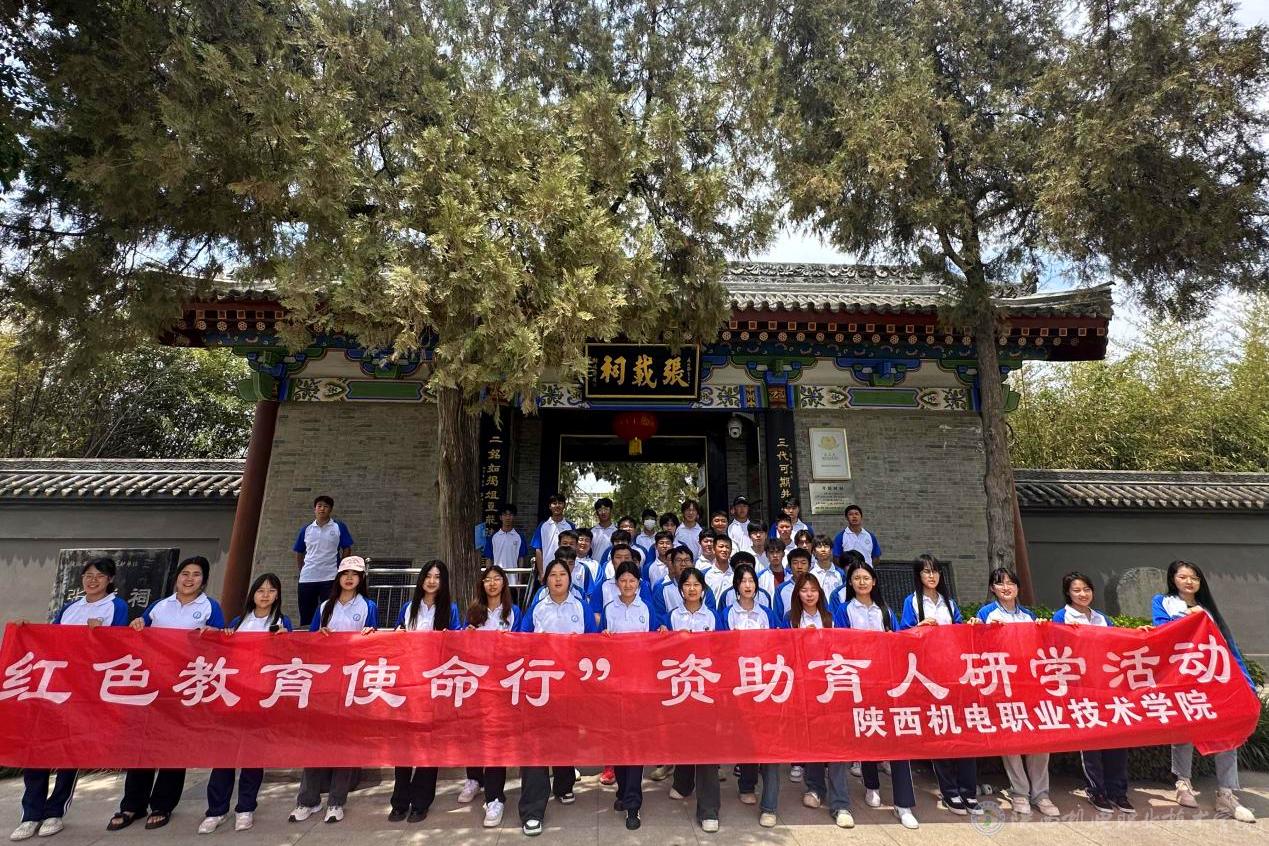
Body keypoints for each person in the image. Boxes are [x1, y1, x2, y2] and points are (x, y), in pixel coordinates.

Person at [12, 558, 128, 842]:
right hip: (54, 687)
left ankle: (55, 811)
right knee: (38, 748)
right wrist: (27, 630)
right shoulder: (70, 607)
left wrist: (101, 635)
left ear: (110, 580)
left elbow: (122, 644)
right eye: (88, 575)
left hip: (86, 690)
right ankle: (30, 814)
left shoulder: (116, 606)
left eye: (99, 576)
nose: (93, 580)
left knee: (69, 749)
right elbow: (50, 638)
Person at [108, 556, 225, 833]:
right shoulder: (160, 606)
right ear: (176, 577)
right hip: (153, 685)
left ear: (204, 581)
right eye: (185, 573)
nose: (189, 579)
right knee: (142, 745)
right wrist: (138, 625)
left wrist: (213, 632)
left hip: (186, 686)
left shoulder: (210, 607)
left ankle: (163, 805)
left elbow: (222, 642)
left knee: (174, 747)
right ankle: (132, 804)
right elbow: (139, 634)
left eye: (196, 574)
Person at [1152, 560, 1256, 823]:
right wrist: (1189, 619)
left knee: (1226, 731)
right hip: (1183, 679)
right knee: (1184, 731)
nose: (1189, 582)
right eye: (1183, 577)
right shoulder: (1164, 603)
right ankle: (1183, 782)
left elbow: (1227, 646)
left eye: (1195, 577)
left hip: (1214, 680)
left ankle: (1226, 792)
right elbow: (1161, 630)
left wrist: (1246, 681)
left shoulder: (1208, 608)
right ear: (1172, 579)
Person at [198, 574, 293, 835]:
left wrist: (285, 639)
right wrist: (222, 635)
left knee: (253, 756)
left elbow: (289, 659)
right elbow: (222, 652)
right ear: (252, 594)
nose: (265, 595)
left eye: (271, 591)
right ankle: (216, 810)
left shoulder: (282, 622)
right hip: (233, 696)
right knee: (224, 756)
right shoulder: (239, 622)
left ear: (278, 595)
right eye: (261, 590)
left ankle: (246, 807)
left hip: (262, 698)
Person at [292, 557, 377, 824]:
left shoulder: (368, 606)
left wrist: (370, 634)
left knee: (345, 742)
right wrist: (320, 635)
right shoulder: (325, 606)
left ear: (361, 579)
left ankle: (337, 801)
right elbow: (311, 640)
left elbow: (373, 640)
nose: (349, 578)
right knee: (317, 741)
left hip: (351, 682)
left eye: (355, 574)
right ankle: (308, 800)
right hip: (325, 682)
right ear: (338, 577)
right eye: (345, 573)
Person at [895, 555, 983, 816]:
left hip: (955, 673)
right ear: (918, 575)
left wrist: (972, 626)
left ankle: (969, 790)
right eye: (926, 572)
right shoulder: (911, 602)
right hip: (929, 674)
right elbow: (903, 635)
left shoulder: (949, 602)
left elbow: (960, 631)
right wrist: (919, 627)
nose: (931, 576)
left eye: (935, 571)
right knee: (941, 729)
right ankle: (949, 790)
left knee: (964, 731)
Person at [834, 561, 919, 829]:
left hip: (888, 679)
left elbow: (898, 640)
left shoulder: (885, 610)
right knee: (869, 731)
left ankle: (903, 803)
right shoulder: (844, 610)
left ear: (874, 581)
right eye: (856, 578)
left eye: (866, 578)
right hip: (860, 681)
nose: (862, 582)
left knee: (897, 737)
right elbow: (839, 643)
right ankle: (871, 785)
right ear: (850, 583)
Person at [516, 559, 596, 836]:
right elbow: (521, 639)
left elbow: (594, 643)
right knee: (536, 744)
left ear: (570, 578)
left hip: (571, 686)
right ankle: (532, 809)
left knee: (565, 735)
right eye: (553, 574)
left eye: (563, 574)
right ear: (545, 579)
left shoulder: (580, 606)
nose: (558, 579)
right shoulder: (538, 607)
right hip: (540, 685)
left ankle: (564, 784)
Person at [976, 568, 1058, 817]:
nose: (1006, 587)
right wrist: (985, 631)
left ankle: (1041, 793)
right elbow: (976, 645)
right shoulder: (986, 614)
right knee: (1011, 738)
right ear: (992, 588)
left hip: (1030, 684)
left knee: (1039, 738)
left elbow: (1042, 648)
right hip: (1003, 684)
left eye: (1011, 583)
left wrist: (1043, 630)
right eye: (1000, 584)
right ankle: (1019, 791)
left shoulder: (1028, 616)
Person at [1051, 572, 1135, 815]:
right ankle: (1096, 790)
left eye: (1086, 589)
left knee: (1117, 739)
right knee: (1091, 742)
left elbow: (1118, 645)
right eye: (1076, 590)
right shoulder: (1062, 616)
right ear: (1068, 593)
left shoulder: (1102, 618)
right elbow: (1057, 649)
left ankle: (1118, 791)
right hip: (1082, 688)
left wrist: (1141, 634)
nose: (1082, 594)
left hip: (1108, 687)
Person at [390, 561, 463, 823]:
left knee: (429, 745)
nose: (432, 581)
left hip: (435, 686)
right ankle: (399, 801)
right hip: (408, 684)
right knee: (404, 745)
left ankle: (421, 802)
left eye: (437, 577)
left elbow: (457, 642)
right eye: (428, 576)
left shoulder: (450, 609)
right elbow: (396, 639)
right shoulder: (408, 608)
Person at [785, 574, 854, 828]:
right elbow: (782, 652)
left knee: (836, 742)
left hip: (831, 686)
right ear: (798, 594)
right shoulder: (790, 619)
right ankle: (814, 788)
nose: (809, 594)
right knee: (812, 740)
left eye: (813, 589)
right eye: (804, 590)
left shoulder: (830, 617)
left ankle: (841, 803)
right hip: (804, 687)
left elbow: (843, 647)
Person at [598, 561, 656, 830]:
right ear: (616, 583)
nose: (628, 584)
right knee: (618, 742)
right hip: (614, 687)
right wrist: (603, 636)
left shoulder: (647, 608)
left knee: (635, 744)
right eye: (623, 580)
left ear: (639, 584)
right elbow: (597, 645)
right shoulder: (609, 609)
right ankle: (622, 791)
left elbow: (658, 641)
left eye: (633, 580)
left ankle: (633, 804)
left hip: (640, 687)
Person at [462, 565, 521, 828]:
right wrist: (466, 636)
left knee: (496, 738)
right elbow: (460, 644)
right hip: (476, 684)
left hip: (502, 684)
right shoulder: (474, 611)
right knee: (475, 734)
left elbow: (524, 642)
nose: (493, 583)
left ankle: (495, 797)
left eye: (498, 579)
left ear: (504, 584)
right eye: (488, 579)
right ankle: (474, 778)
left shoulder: (513, 612)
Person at [666, 567, 722, 833]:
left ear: (703, 589)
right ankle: (683, 783)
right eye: (687, 585)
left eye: (696, 585)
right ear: (681, 589)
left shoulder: (713, 616)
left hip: (707, 689)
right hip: (680, 688)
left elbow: (723, 650)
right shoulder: (672, 616)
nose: (691, 589)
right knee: (684, 738)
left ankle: (709, 809)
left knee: (707, 746)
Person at [292, 495, 355, 627]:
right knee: (307, 616)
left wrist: (341, 569)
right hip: (307, 578)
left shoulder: (338, 527)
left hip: (330, 577)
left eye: (325, 506)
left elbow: (347, 548)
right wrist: (302, 570)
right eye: (319, 506)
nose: (322, 509)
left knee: (329, 613)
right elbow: (299, 551)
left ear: (330, 509)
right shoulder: (306, 529)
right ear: (314, 509)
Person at [483, 504, 530, 586]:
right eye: (505, 515)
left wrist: (520, 580)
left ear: (514, 517)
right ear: (500, 517)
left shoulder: (519, 537)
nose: (508, 518)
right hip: (496, 580)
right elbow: (489, 559)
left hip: (513, 580)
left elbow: (521, 559)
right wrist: (489, 578)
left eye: (510, 515)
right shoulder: (493, 537)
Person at [530, 494, 573, 583]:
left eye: (560, 503)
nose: (557, 506)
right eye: (554, 503)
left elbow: (574, 549)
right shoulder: (543, 526)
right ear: (550, 506)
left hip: (566, 571)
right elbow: (538, 550)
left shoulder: (570, 526)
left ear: (564, 505)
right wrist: (541, 573)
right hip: (547, 571)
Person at [703, 533, 734, 604]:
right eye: (721, 546)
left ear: (731, 551)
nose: (724, 550)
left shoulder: (737, 574)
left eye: (727, 547)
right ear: (713, 550)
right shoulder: (704, 574)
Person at [589, 497, 616, 564]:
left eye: (606, 509)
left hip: (611, 567)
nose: (603, 512)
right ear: (597, 513)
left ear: (611, 511)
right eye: (600, 510)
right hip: (594, 566)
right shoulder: (591, 532)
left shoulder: (617, 531)